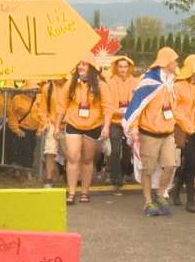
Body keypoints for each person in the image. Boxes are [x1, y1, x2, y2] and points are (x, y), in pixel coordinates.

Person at [125, 47, 181, 217]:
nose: (177, 63)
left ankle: (159, 193)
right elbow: (137, 107)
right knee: (147, 170)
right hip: (149, 133)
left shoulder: (171, 82)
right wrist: (133, 128)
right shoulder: (148, 82)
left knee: (171, 165)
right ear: (167, 62)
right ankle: (148, 202)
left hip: (168, 133)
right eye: (175, 60)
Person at [55, 57, 114, 205]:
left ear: (92, 67)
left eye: (84, 64)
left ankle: (85, 192)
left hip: (93, 126)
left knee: (88, 160)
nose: (80, 67)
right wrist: (56, 126)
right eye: (79, 64)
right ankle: (72, 192)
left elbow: (107, 107)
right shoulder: (71, 83)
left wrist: (106, 127)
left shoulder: (101, 85)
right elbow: (61, 106)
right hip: (73, 124)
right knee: (73, 157)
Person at [170, 54, 195, 213]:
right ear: (192, 68)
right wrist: (186, 124)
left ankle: (176, 188)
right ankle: (191, 200)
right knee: (192, 163)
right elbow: (174, 109)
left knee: (192, 165)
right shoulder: (178, 86)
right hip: (184, 131)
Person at [105, 56, 138, 194]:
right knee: (115, 151)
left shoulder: (136, 82)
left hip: (130, 123)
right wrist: (115, 111)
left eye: (125, 66)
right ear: (116, 68)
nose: (123, 69)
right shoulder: (110, 82)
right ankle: (116, 180)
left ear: (129, 68)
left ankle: (125, 173)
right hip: (115, 121)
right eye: (120, 67)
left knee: (127, 152)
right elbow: (107, 103)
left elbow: (137, 102)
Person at [36, 77, 67, 187]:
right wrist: (45, 123)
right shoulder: (47, 88)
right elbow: (42, 109)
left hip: (70, 124)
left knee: (71, 153)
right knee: (50, 150)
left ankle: (70, 175)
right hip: (52, 123)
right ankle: (49, 178)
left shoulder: (72, 85)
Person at [6, 81, 43, 171]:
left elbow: (43, 115)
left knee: (30, 151)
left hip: (34, 131)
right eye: (31, 89)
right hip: (22, 130)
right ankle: (18, 171)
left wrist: (39, 130)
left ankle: (28, 171)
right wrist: (17, 130)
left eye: (35, 89)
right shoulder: (17, 99)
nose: (33, 91)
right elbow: (12, 115)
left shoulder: (40, 99)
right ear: (26, 90)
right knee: (20, 150)